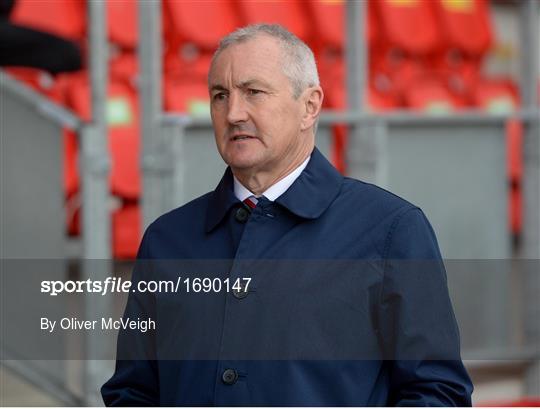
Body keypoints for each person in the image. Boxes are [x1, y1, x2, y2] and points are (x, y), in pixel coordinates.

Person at [102, 24, 473, 406]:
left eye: (253, 92)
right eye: (219, 95)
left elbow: (437, 394)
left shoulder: (392, 230)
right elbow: (132, 392)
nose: (233, 113)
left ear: (309, 106)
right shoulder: (167, 240)